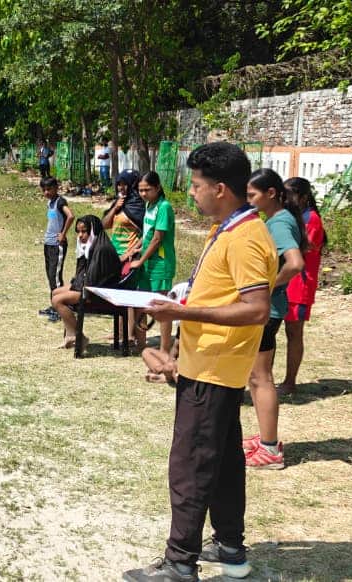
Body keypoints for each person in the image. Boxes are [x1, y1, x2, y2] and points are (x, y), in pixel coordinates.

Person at [131, 142, 273, 582]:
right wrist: (177, 305)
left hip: (215, 369)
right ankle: (230, 547)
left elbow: (256, 309)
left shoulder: (246, 237)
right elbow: (215, 291)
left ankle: (180, 563)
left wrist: (180, 314)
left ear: (222, 189)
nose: (191, 192)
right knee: (224, 462)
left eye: (196, 185)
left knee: (191, 463)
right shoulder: (227, 228)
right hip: (209, 364)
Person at [242, 168, 306, 471]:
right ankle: (266, 438)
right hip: (271, 308)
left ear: (270, 193)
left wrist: (267, 287)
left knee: (260, 377)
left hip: (268, 310)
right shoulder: (278, 219)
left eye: (252, 194)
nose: (248, 199)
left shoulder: (279, 222)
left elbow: (295, 264)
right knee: (256, 377)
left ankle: (270, 449)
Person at [48, 215, 124, 349]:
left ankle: (78, 337)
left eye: (84, 231)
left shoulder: (102, 249)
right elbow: (82, 274)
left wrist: (77, 288)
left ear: (93, 230)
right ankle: (71, 335)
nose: (80, 235)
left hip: (100, 293)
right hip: (88, 286)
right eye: (78, 232)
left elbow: (95, 280)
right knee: (55, 293)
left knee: (57, 300)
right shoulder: (89, 246)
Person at [280, 177, 326, 396]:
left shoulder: (312, 220)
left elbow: (300, 249)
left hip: (300, 285)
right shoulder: (293, 217)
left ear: (303, 197)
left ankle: (290, 381)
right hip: (285, 283)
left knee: (294, 332)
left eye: (289, 195)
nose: (286, 199)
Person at [131, 172, 177, 353]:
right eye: (140, 190)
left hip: (160, 263)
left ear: (157, 187)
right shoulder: (149, 205)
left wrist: (140, 260)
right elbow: (147, 233)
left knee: (162, 307)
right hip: (146, 263)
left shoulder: (164, 207)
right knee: (143, 303)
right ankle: (141, 345)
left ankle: (165, 349)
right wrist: (134, 249)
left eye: (147, 190)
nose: (143, 194)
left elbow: (157, 239)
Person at [38, 177, 74, 322]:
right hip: (48, 243)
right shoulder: (50, 203)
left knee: (56, 276)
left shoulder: (60, 202)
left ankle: (61, 308)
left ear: (56, 188)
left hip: (57, 245)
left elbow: (70, 216)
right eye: (44, 190)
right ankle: (54, 305)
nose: (46, 192)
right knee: (50, 275)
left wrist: (63, 234)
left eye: (49, 189)